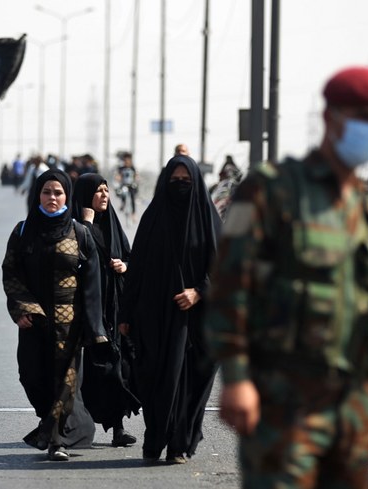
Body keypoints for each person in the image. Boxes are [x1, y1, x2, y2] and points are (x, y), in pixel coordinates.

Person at [204, 66, 368, 488]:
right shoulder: (273, 189)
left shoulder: (361, 204)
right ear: (331, 118)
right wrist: (236, 379)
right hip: (283, 401)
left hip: (352, 406)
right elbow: (231, 287)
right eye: (365, 117)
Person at [118, 154, 220, 464]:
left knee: (189, 380)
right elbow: (136, 270)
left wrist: (198, 292)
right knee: (154, 377)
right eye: (174, 182)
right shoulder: (153, 218)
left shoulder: (208, 219)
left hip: (196, 320)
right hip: (154, 316)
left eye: (186, 183)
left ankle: (178, 443)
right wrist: (125, 315)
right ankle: (156, 436)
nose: (180, 187)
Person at [2, 169, 108, 461]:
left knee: (65, 380)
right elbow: (11, 272)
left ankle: (57, 439)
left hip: (69, 324)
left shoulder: (79, 233)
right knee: (31, 375)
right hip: (33, 321)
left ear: (67, 196)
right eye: (47, 192)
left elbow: (92, 283)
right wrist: (22, 308)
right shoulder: (23, 231)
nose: (52, 197)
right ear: (38, 194)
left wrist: (92, 326)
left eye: (58, 192)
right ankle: (53, 422)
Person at [72, 173, 141, 447]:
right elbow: (73, 256)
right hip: (87, 311)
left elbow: (130, 256)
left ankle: (118, 428)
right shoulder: (75, 226)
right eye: (97, 191)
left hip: (113, 309)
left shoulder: (113, 225)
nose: (104, 195)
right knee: (90, 371)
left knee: (118, 367)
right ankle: (76, 425)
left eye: (106, 190)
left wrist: (125, 266)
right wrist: (86, 224)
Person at [114, 152, 138, 220]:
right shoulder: (121, 168)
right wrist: (118, 178)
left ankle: (133, 214)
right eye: (125, 161)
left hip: (131, 185)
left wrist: (137, 179)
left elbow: (136, 175)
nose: (126, 162)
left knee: (133, 197)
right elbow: (118, 175)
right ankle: (123, 204)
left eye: (128, 161)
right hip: (124, 184)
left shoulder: (132, 168)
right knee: (123, 194)